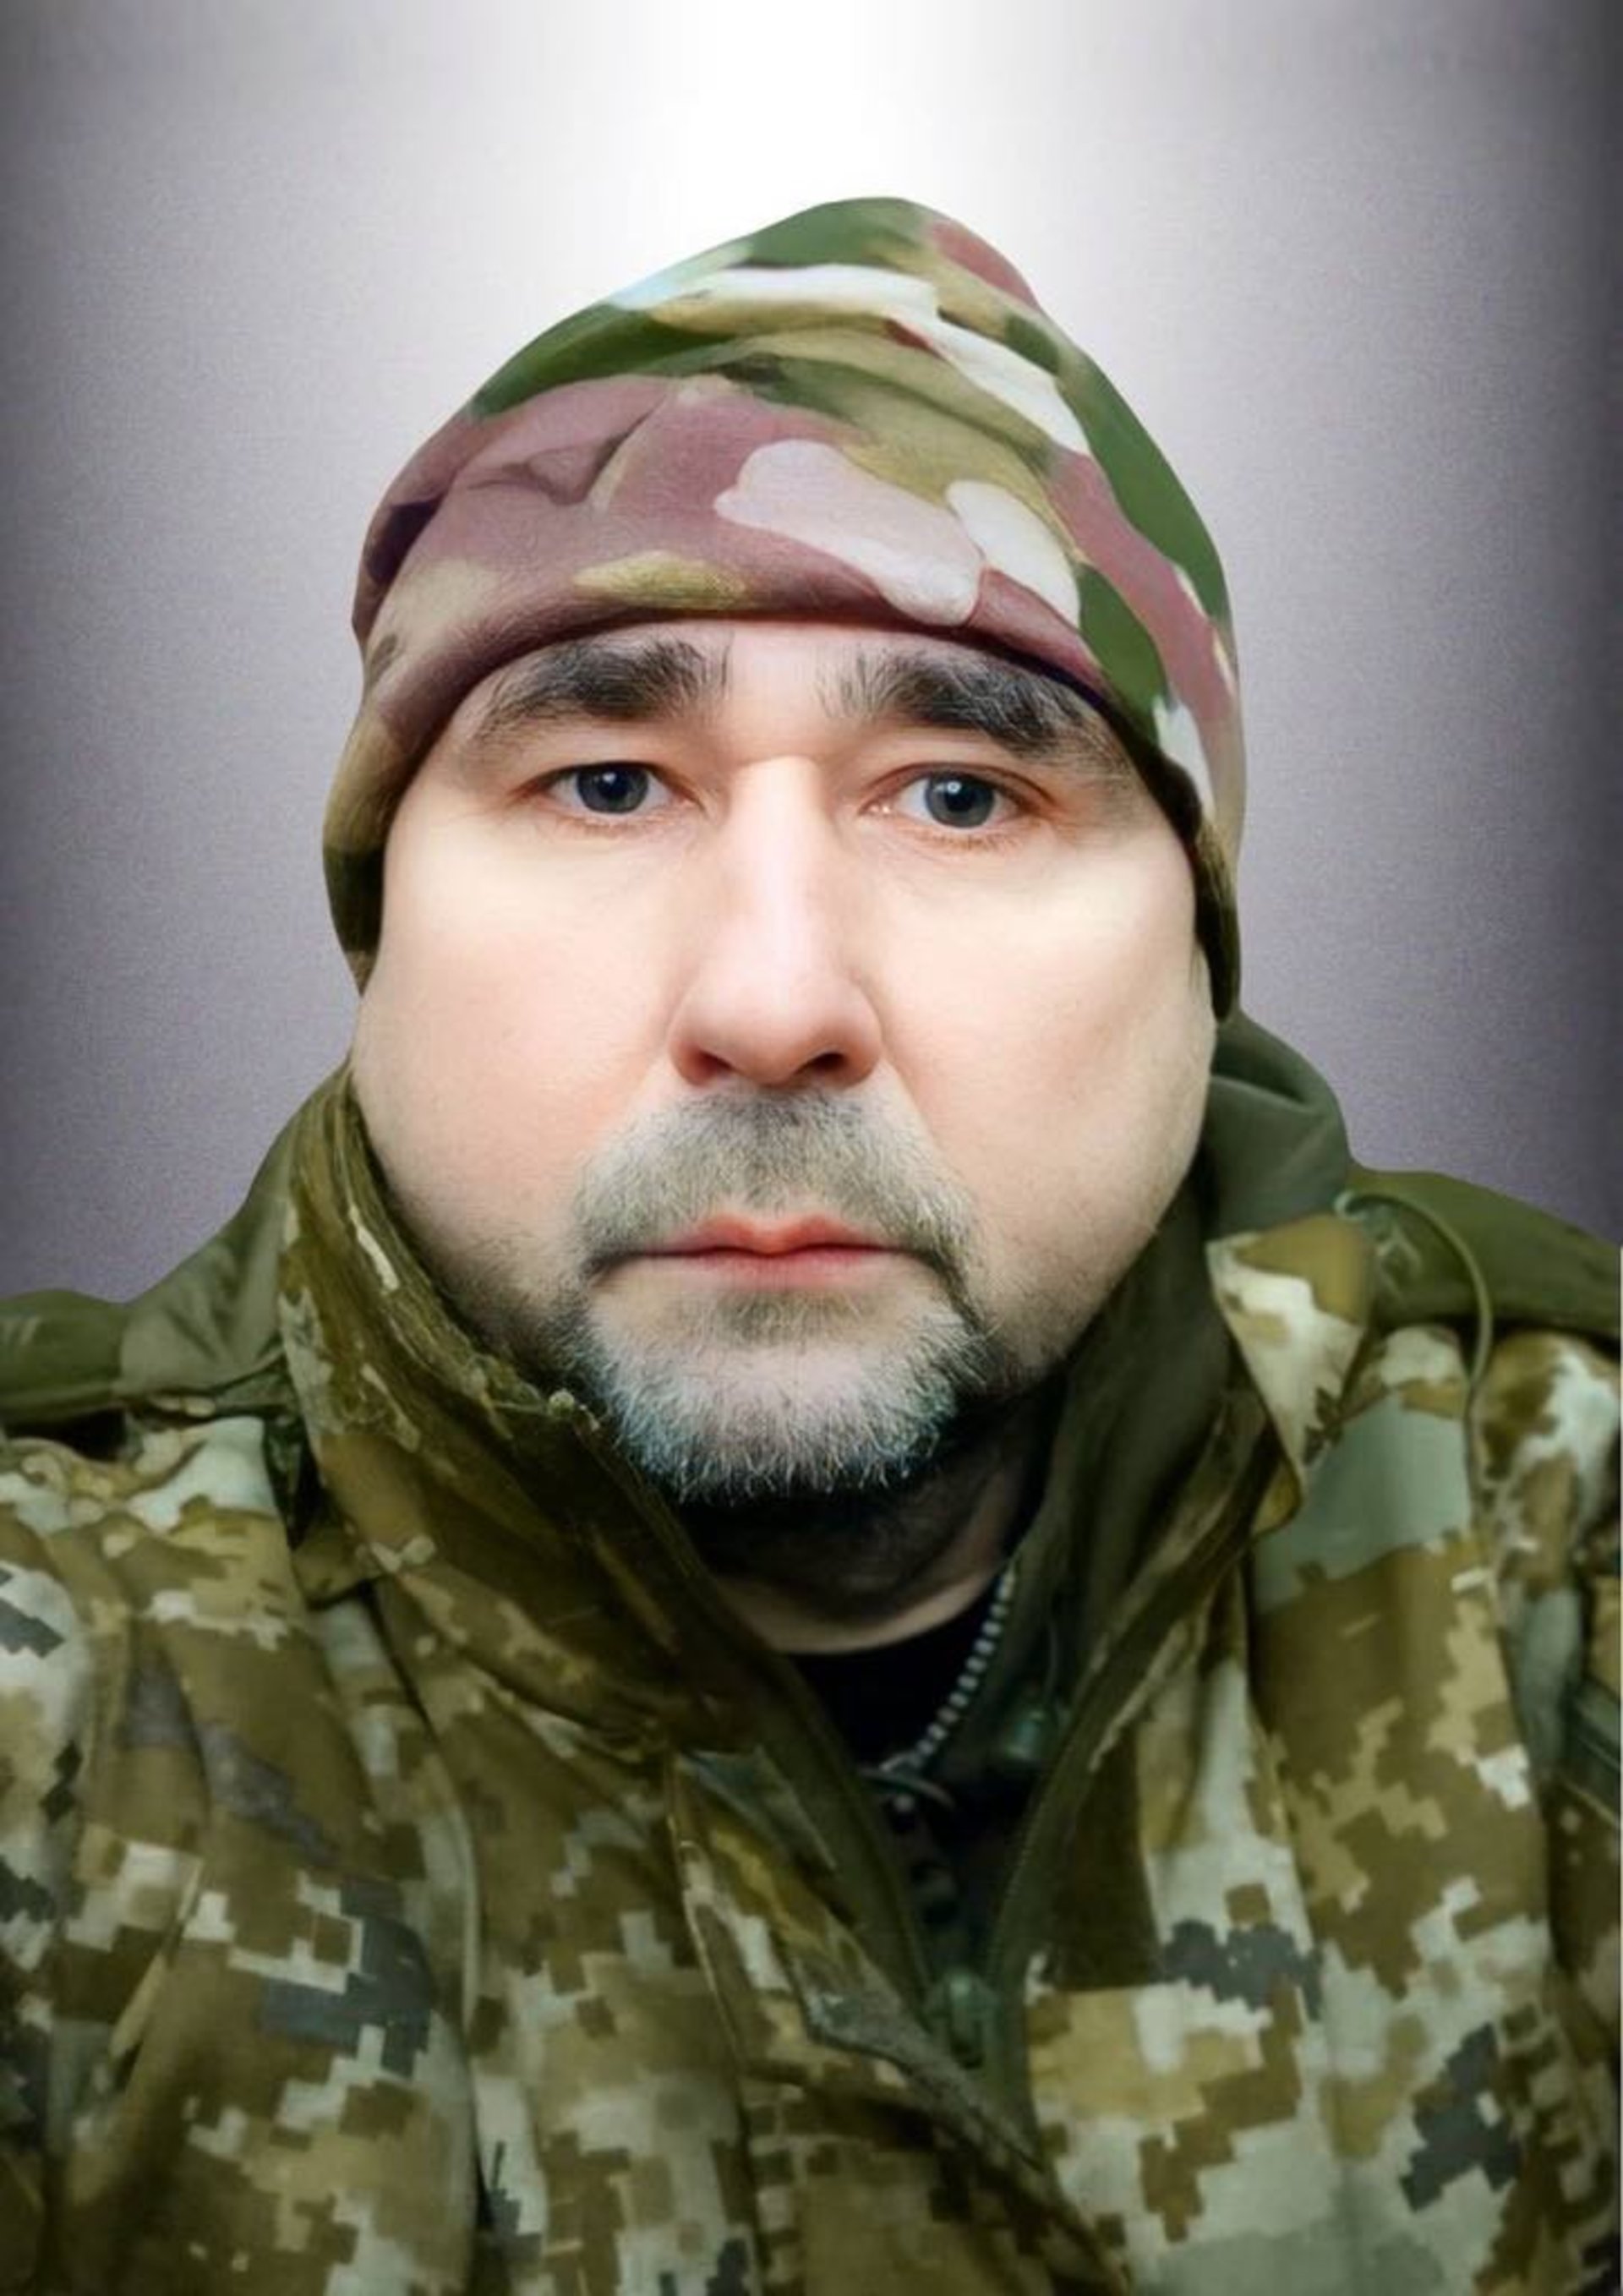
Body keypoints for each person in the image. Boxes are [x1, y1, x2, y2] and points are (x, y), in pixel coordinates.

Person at [0, 197, 1615, 2296]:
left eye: (960, 796)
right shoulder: (58, 1676)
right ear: (382, 937)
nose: (772, 1003)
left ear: (1198, 966)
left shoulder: (1546, 1539)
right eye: (605, 782)